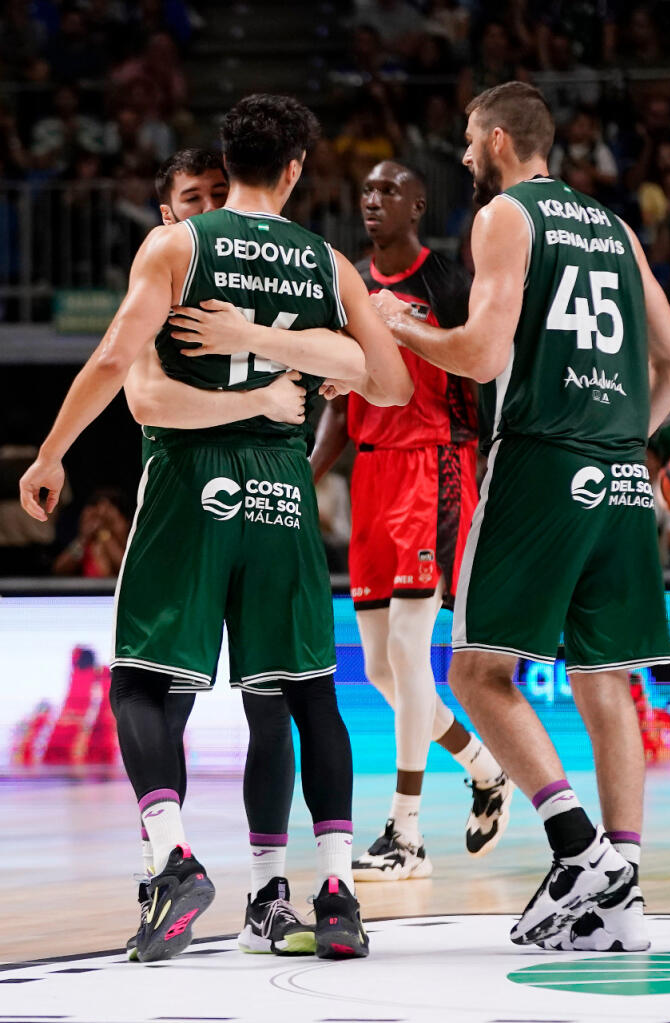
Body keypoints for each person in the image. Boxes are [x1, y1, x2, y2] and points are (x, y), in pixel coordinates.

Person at [20, 93, 413, 963]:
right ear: (298, 168)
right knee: (309, 692)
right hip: (282, 485)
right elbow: (390, 385)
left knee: (141, 685)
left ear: (224, 164)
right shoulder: (326, 263)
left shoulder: (176, 244)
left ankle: (174, 859)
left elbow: (117, 357)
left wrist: (51, 454)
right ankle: (338, 890)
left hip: (192, 483)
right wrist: (301, 362)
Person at [371, 81, 670, 952]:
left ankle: (577, 848)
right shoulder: (619, 231)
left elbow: (478, 351)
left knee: (477, 673)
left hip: (542, 461)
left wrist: (397, 324)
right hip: (619, 472)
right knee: (606, 678)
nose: (465, 158)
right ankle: (619, 895)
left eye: (471, 143)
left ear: (502, 139)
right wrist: (619, 440)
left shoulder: (507, 216)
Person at [119, 147, 308, 961]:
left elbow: (352, 374)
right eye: (190, 199)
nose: (205, 209)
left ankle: (255, 886)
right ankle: (174, 874)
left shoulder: (269, 282)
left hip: (237, 496)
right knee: (173, 702)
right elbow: (144, 394)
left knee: (265, 699)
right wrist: (267, 393)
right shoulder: (165, 275)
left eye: (216, 195)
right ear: (167, 214)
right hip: (218, 494)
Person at [311, 160, 512, 881]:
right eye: (364, 190)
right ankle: (486, 766)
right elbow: (337, 402)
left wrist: (488, 466)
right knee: (378, 669)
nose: (371, 200)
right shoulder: (350, 291)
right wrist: (307, 478)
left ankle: (405, 832)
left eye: (387, 190)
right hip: (371, 471)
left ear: (418, 204)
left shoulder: (447, 284)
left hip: (434, 462)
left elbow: (483, 366)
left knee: (406, 647)